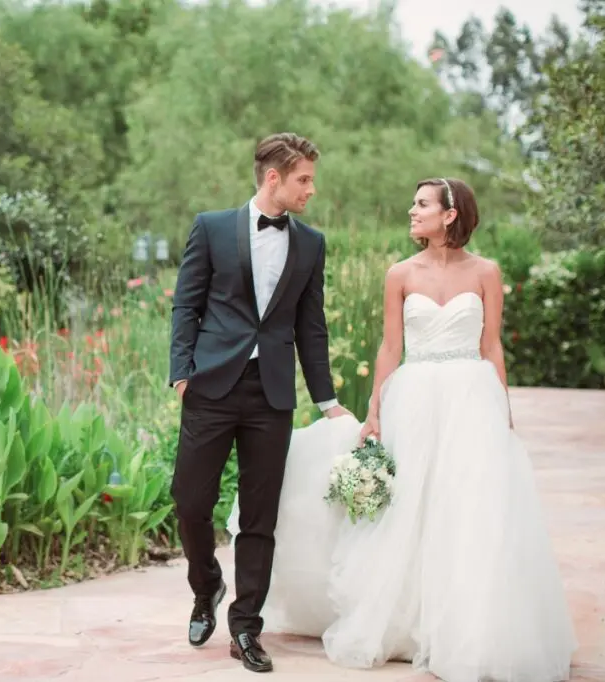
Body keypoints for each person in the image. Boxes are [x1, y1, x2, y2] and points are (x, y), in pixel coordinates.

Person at [227, 177, 578, 681]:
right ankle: (409, 625)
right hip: (413, 397)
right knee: (410, 506)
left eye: (421, 204)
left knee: (468, 508)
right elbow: (390, 349)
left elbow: (492, 346)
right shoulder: (399, 274)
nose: (411, 211)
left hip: (470, 397)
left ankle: (470, 626)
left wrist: (503, 408)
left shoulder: (487, 272)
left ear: (450, 214)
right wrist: (374, 412)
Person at [168, 132, 351, 674]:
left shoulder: (311, 243)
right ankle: (207, 586)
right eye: (304, 180)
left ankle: (246, 627)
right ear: (274, 178)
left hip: (272, 395)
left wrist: (327, 400)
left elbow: (310, 327)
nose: (311, 190)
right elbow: (187, 304)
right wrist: (181, 372)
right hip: (210, 387)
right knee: (190, 503)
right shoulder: (213, 227)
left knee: (260, 517)